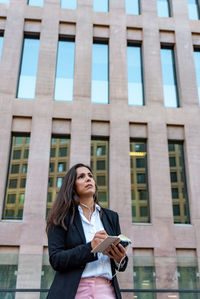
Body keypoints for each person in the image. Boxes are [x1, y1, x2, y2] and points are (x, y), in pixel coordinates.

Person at [46, 163, 128, 299]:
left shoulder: (111, 217)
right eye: (81, 177)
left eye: (90, 176)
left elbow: (120, 265)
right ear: (72, 185)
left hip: (106, 290)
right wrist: (90, 248)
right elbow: (56, 260)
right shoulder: (60, 217)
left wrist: (120, 259)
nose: (88, 179)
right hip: (73, 291)